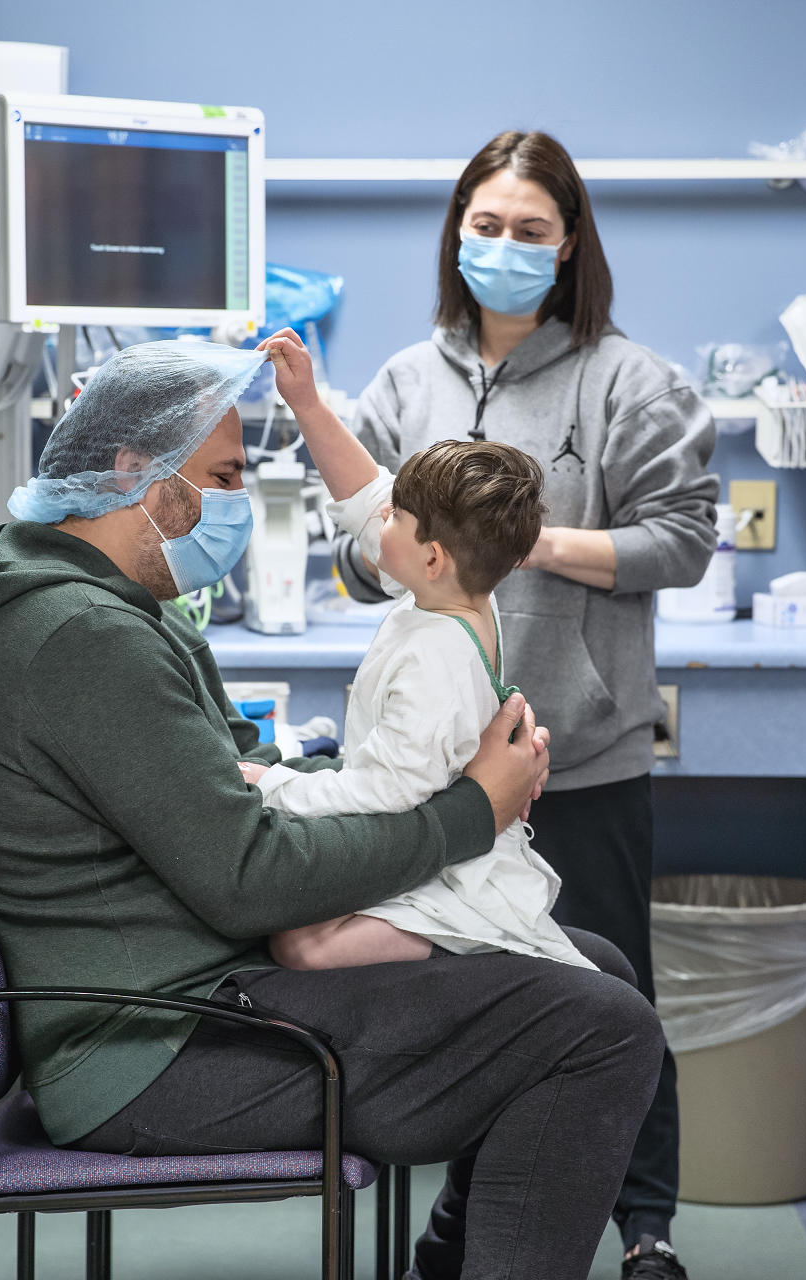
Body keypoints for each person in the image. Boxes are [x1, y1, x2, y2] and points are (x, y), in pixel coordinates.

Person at [0, 339, 667, 1280]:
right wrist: (473, 811)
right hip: (155, 1047)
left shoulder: (117, 609)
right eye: (224, 476)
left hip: (187, 993)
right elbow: (248, 882)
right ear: (137, 476)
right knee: (603, 1025)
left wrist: (344, 767)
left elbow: (229, 767)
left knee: (583, 965)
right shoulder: (81, 639)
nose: (239, 501)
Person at [331, 130, 719, 1279]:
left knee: (610, 998)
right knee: (480, 1009)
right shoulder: (405, 382)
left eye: (530, 230)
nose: (504, 246)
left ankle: (647, 1229)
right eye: (486, 225)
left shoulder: (633, 382)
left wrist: (523, 538)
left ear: (570, 243)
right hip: (444, 778)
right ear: (459, 233)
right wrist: (384, 545)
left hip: (580, 758)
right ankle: (471, 1227)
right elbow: (359, 554)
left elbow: (685, 540)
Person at [246, 329, 590, 973]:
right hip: (444, 822)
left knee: (301, 945)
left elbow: (384, 791)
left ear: (431, 556)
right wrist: (308, 405)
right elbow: (365, 494)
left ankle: (472, 950)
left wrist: (276, 787)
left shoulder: (434, 655)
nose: (381, 518)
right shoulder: (459, 595)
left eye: (396, 515)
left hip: (453, 869)